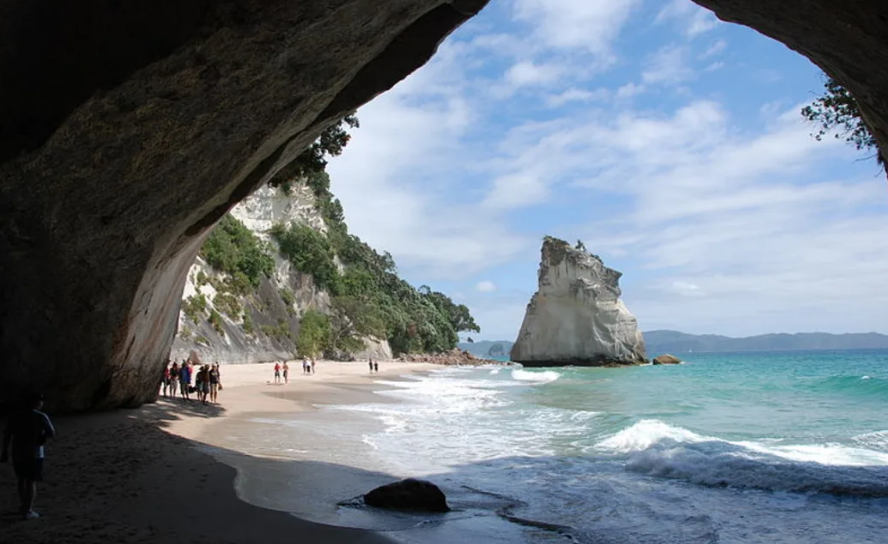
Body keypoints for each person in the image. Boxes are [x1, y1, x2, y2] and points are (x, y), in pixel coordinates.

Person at [2, 393, 55, 520]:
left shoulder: (15, 416)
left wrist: (4, 451)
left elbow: (8, 434)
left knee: (21, 479)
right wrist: (41, 437)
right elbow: (51, 433)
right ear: (36, 403)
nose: (42, 403)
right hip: (34, 453)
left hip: (18, 452)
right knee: (31, 481)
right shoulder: (40, 416)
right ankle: (28, 510)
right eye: (40, 401)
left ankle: (23, 506)